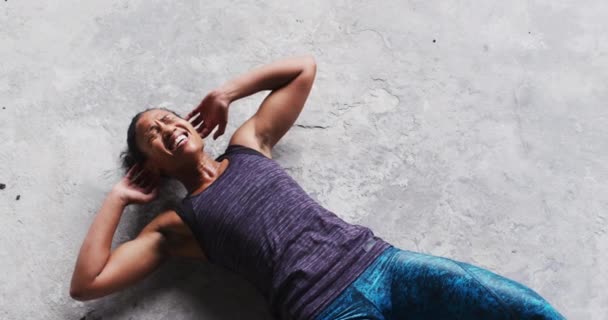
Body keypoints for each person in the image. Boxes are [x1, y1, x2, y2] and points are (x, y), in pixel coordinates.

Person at [69, 55, 565, 320]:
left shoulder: (247, 145)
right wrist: (117, 198)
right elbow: (87, 285)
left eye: (168, 117)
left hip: (383, 264)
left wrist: (227, 93)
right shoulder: (176, 226)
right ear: (150, 164)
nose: (165, 127)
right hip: (323, 308)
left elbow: (302, 69)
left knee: (524, 309)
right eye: (151, 135)